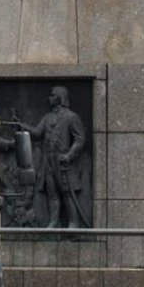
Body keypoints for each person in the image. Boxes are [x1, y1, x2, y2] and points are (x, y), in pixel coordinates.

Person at [22, 85, 90, 231]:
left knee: (67, 194)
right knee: (52, 194)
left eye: (52, 95)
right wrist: (21, 126)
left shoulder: (71, 117)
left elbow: (80, 139)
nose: (49, 98)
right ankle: (53, 222)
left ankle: (74, 223)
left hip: (63, 162)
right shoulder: (47, 117)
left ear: (60, 98)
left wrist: (69, 155)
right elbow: (37, 133)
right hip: (48, 161)